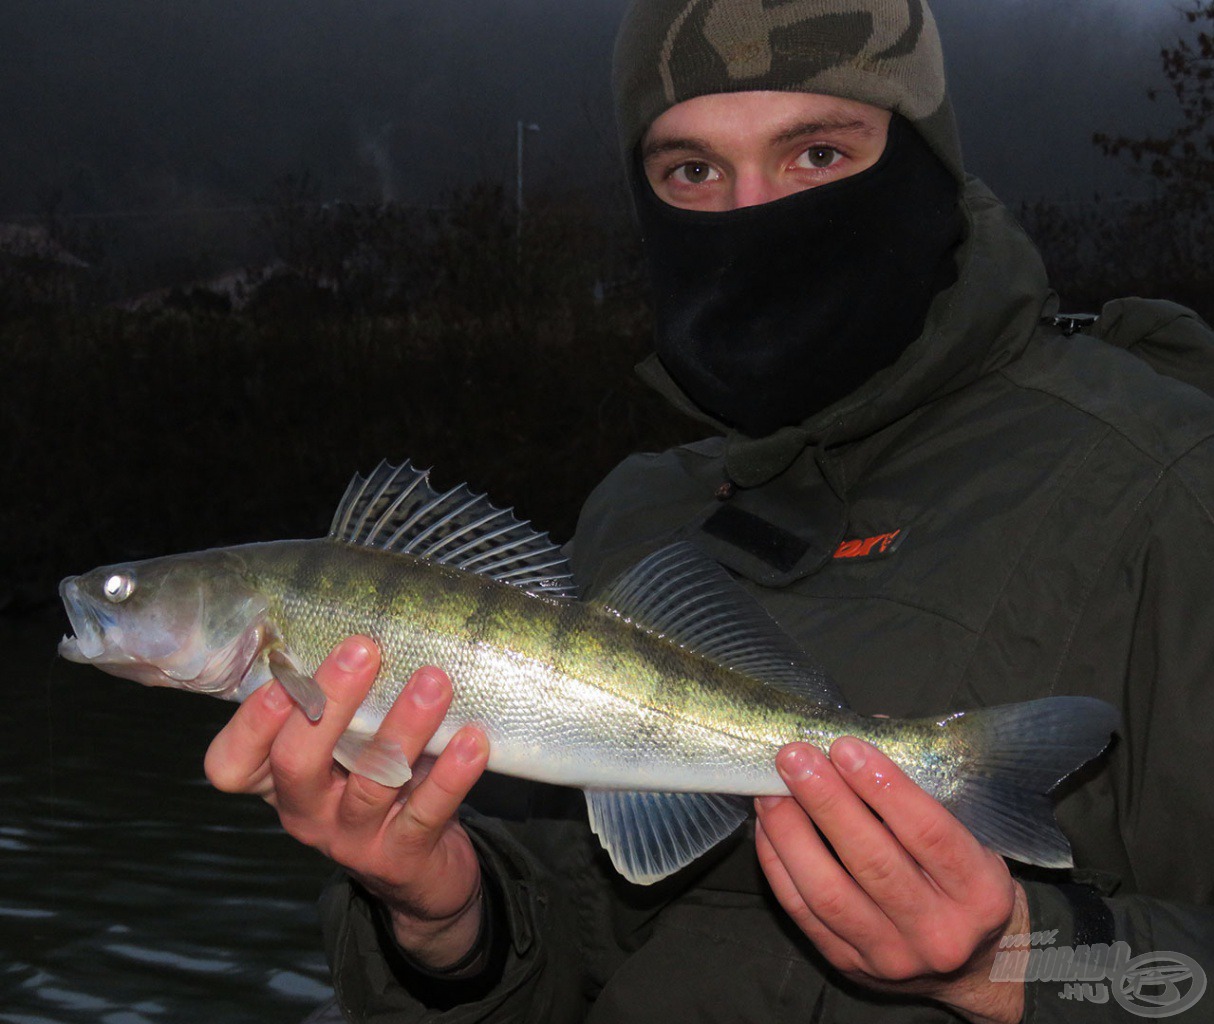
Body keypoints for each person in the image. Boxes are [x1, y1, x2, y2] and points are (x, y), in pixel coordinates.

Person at [206, 0, 1214, 1020]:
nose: (747, 217)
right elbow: (570, 945)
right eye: (690, 171)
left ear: (921, 164)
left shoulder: (1171, 484)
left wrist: (1010, 962)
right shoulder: (640, 507)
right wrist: (440, 924)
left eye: (815, 153)